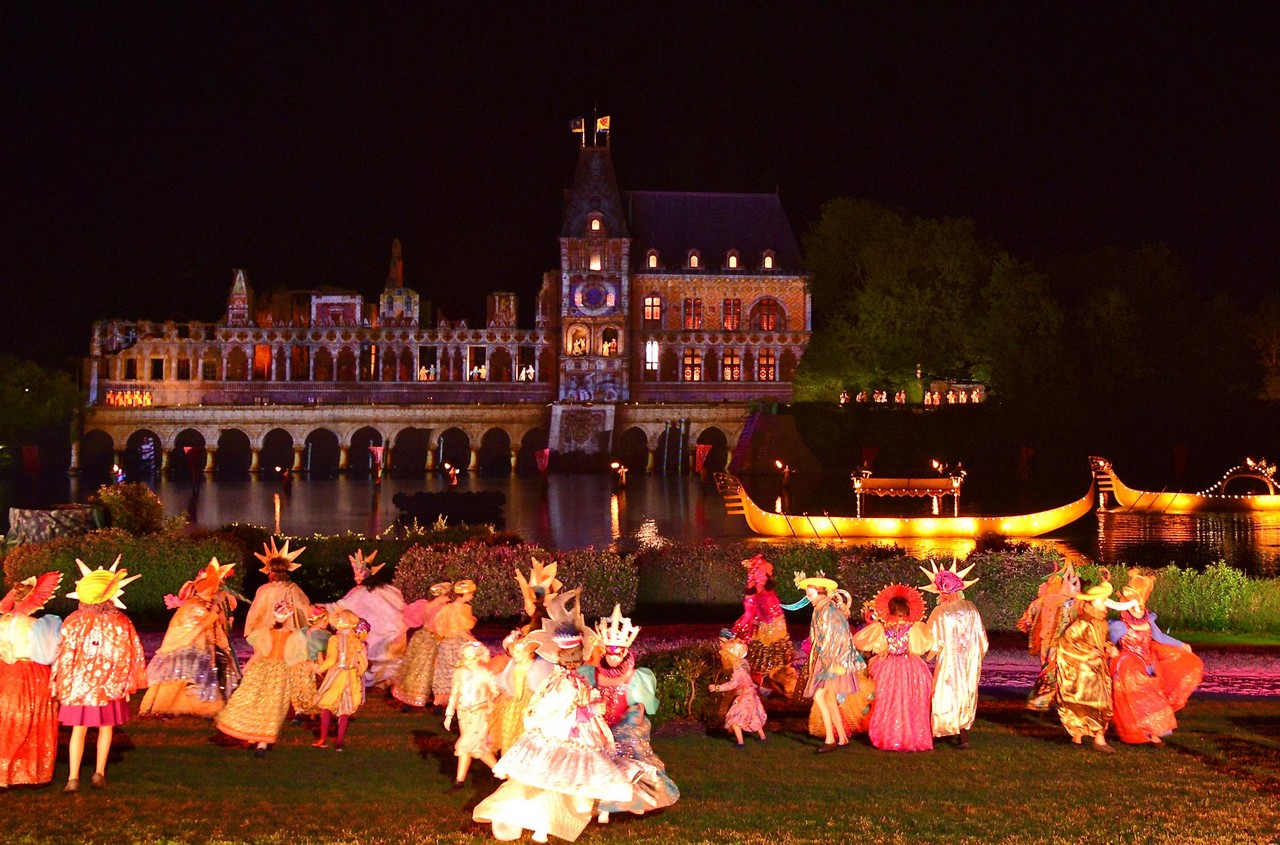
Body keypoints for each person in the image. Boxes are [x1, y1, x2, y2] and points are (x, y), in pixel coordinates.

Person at [473, 590, 646, 843]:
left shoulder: (565, 680)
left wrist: (588, 706)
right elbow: (556, 709)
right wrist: (586, 709)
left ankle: (545, 824)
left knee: (559, 783)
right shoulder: (564, 683)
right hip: (559, 736)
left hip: (561, 736)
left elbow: (559, 705)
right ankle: (540, 823)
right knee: (555, 782)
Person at [51, 557, 147, 791]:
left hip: (79, 687)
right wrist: (126, 683)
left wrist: (61, 685)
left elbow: (63, 655)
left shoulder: (74, 621)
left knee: (78, 730)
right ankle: (98, 773)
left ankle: (73, 778)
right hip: (109, 687)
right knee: (106, 728)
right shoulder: (121, 622)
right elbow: (131, 654)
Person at [582, 604, 679, 823]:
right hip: (597, 727)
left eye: (619, 653)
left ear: (626, 651)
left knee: (629, 758)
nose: (614, 658)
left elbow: (644, 706)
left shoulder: (637, 676)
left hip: (623, 728)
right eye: (610, 652)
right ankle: (595, 803)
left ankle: (636, 801)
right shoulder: (590, 673)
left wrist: (635, 714)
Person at [1107, 569, 1204, 745]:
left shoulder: (1147, 620)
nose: (1139, 605)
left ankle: (1154, 730)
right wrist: (1110, 651)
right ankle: (1148, 733)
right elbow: (1107, 641)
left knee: (1154, 696)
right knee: (1138, 699)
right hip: (1129, 666)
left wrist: (1181, 645)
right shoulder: (1119, 626)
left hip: (1149, 663)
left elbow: (1159, 637)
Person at [140, 558, 240, 717]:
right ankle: (161, 707)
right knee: (179, 677)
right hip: (186, 646)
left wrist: (219, 620)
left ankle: (196, 705)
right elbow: (203, 624)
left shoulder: (202, 604)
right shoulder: (196, 605)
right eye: (211, 590)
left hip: (197, 646)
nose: (213, 593)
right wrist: (214, 615)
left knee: (191, 677)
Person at [215, 599, 302, 756]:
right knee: (272, 705)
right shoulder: (292, 636)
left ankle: (254, 735)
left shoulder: (267, 632)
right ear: (289, 618)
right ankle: (261, 740)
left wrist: (246, 668)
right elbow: (295, 657)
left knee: (256, 700)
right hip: (280, 671)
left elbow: (260, 653)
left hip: (263, 668)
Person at [854, 583, 935, 752]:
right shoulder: (915, 628)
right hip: (910, 666)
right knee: (910, 701)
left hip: (889, 666)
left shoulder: (881, 628)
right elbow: (923, 645)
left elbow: (860, 641)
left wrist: (882, 650)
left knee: (887, 701)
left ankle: (889, 736)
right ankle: (911, 736)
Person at [0, 572, 63, 788]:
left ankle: (4, 770)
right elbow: (51, 653)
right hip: (31, 673)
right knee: (30, 718)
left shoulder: (3, 622)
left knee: (6, 719)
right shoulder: (37, 624)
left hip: (5, 672)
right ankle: (28, 772)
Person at [921, 559, 988, 748]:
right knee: (964, 693)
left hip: (950, 661)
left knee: (946, 690)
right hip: (968, 662)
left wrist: (924, 650)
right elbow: (982, 639)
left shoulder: (940, 612)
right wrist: (976, 656)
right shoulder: (971, 609)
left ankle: (942, 732)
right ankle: (961, 733)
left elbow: (931, 639)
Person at [794, 574, 862, 752]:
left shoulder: (827, 611)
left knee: (819, 696)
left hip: (831, 661)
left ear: (814, 593)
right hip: (828, 660)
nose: (808, 598)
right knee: (830, 698)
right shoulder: (823, 609)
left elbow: (835, 638)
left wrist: (828, 664)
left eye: (809, 594)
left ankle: (830, 739)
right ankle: (842, 738)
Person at [328, 550, 406, 690]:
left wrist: (321, 610)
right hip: (393, 636)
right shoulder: (390, 590)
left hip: (375, 639)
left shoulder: (358, 593)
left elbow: (340, 609)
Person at [1055, 578, 1118, 752]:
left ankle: (1085, 736)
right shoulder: (1084, 621)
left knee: (1098, 702)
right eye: (1103, 599)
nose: (1106, 603)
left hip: (1098, 668)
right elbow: (1066, 641)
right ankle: (1092, 737)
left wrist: (1109, 647)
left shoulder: (1101, 621)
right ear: (1094, 601)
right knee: (1092, 702)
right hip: (1085, 670)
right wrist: (1088, 652)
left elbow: (1103, 639)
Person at [731, 554, 797, 696]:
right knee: (766, 664)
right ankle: (770, 690)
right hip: (768, 633)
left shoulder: (766, 592)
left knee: (778, 663)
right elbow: (750, 611)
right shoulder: (758, 594)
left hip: (777, 631)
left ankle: (781, 689)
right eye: (769, 572)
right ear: (761, 574)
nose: (771, 574)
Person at [1019, 562, 1080, 711]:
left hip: (1059, 642)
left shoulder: (1066, 603)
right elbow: (1027, 621)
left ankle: (1045, 699)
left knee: (1051, 668)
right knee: (1049, 668)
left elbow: (1026, 622)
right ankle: (1049, 699)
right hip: (1049, 640)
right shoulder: (1045, 602)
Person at [444, 640, 500, 790]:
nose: (470, 661)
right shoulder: (459, 673)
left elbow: (494, 693)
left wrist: (483, 704)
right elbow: (454, 693)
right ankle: (499, 773)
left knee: (467, 744)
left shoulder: (484, 674)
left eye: (473, 658)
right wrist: (449, 714)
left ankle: (461, 781)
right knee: (476, 747)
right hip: (464, 715)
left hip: (479, 715)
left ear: (479, 657)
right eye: (467, 658)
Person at [312, 608, 369, 751]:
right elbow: (363, 664)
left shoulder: (335, 639)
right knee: (345, 709)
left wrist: (320, 668)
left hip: (337, 674)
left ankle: (323, 738)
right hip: (350, 676)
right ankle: (339, 742)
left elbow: (331, 660)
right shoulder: (357, 641)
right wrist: (357, 669)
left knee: (326, 705)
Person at [391, 581, 453, 709]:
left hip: (421, 637)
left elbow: (410, 622)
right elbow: (440, 627)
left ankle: (409, 696)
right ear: (441, 595)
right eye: (447, 595)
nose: (449, 598)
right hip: (432, 640)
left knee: (415, 668)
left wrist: (399, 635)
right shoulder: (442, 609)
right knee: (426, 669)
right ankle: (421, 696)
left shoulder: (424, 605)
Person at [244, 538, 311, 639]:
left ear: (270, 571)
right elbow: (304, 606)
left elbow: (255, 612)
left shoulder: (264, 589)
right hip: (288, 634)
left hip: (268, 635)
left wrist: (250, 630)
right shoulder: (293, 588)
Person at [708, 639, 767, 746]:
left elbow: (732, 684)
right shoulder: (743, 667)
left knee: (735, 720)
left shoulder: (738, 671)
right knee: (753, 716)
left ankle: (740, 743)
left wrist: (717, 687)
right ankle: (763, 738)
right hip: (751, 695)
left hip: (745, 697)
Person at [432, 579, 478, 707]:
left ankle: (443, 700)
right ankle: (456, 700)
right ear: (465, 594)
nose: (472, 596)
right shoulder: (464, 609)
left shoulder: (447, 608)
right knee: (459, 670)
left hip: (446, 643)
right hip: (458, 644)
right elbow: (460, 630)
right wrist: (474, 641)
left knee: (446, 671)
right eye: (471, 593)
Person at [287, 606, 331, 720]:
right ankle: (303, 710)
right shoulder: (318, 635)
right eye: (324, 620)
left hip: (309, 663)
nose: (327, 623)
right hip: (307, 663)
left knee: (307, 687)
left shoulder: (310, 632)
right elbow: (318, 652)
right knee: (304, 687)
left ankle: (308, 710)